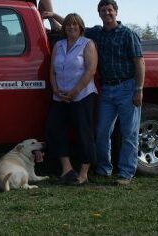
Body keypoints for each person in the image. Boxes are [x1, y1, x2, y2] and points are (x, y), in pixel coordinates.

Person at [85, 0, 145, 185]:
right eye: (103, 10)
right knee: (102, 131)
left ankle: (126, 173)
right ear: (99, 13)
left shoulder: (128, 34)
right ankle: (104, 169)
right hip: (107, 89)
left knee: (129, 133)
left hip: (127, 87)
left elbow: (139, 62)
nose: (106, 13)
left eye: (109, 10)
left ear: (116, 12)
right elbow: (74, 25)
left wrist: (138, 89)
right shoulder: (97, 33)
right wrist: (53, 16)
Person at [46, 13, 97, 186]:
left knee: (84, 132)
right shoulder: (58, 45)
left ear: (81, 27)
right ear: (64, 28)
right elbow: (52, 70)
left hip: (82, 95)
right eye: (68, 25)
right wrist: (55, 88)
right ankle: (67, 169)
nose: (71, 27)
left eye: (75, 25)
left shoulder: (87, 44)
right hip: (60, 96)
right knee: (56, 129)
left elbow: (90, 70)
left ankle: (83, 173)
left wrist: (75, 91)